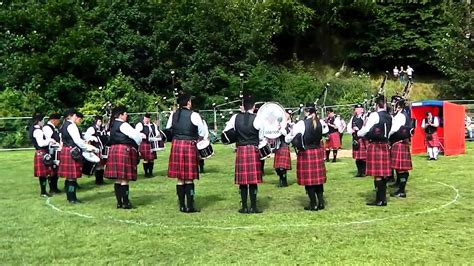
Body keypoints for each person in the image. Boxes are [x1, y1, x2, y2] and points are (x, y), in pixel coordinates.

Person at [223, 96, 264, 214]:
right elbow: (261, 137)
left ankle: (244, 207)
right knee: (253, 181)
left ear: (243, 106)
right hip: (253, 149)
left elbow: (226, 133)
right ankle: (254, 207)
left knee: (243, 181)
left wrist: (237, 135)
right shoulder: (257, 118)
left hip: (241, 149)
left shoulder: (235, 117)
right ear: (254, 107)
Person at [166, 94, 207, 213]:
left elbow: (168, 129)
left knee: (180, 178)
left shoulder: (174, 115)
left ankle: (182, 205)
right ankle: (190, 206)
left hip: (177, 145)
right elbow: (202, 132)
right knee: (189, 178)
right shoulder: (194, 115)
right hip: (189, 145)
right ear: (188, 103)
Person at [285, 104, 329, 211]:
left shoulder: (301, 124)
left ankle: (313, 204)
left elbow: (289, 139)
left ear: (306, 112)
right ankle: (321, 202)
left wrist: (290, 133)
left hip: (306, 153)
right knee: (318, 181)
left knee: (309, 181)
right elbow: (326, 131)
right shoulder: (321, 122)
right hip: (317, 151)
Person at [357, 96, 392, 206]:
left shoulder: (374, 115)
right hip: (385, 144)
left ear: (377, 105)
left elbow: (366, 129)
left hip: (375, 145)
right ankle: (382, 198)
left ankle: (380, 200)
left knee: (377, 174)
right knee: (383, 174)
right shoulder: (390, 116)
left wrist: (358, 133)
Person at [105, 106, 142, 209]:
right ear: (120, 115)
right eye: (125, 114)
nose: (126, 116)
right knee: (124, 179)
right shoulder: (124, 125)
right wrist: (138, 144)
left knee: (118, 179)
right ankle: (126, 202)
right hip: (124, 150)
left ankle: (119, 202)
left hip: (114, 149)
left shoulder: (111, 125)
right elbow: (136, 136)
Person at [58, 110, 92, 204]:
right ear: (71, 116)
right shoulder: (71, 125)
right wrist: (87, 147)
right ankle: (72, 198)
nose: (76, 117)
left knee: (69, 177)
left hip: (66, 149)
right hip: (72, 150)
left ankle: (71, 197)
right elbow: (77, 140)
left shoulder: (64, 125)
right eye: (75, 115)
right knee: (72, 177)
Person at [388, 99, 413, 198]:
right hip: (398, 143)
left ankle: (402, 191)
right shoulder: (399, 115)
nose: (393, 106)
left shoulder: (401, 115)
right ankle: (399, 184)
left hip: (399, 143)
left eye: (395, 104)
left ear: (399, 106)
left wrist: (387, 135)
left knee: (402, 168)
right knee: (399, 167)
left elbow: (394, 129)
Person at [29, 113, 57, 197]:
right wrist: (50, 140)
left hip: (40, 153)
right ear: (39, 121)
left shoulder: (35, 129)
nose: (43, 122)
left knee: (44, 174)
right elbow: (41, 143)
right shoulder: (37, 131)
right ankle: (43, 192)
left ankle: (44, 191)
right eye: (42, 120)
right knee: (43, 175)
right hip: (41, 152)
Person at [84, 115, 108, 184]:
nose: (100, 123)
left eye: (101, 121)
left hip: (102, 147)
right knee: (98, 164)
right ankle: (98, 181)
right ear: (96, 121)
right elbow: (86, 137)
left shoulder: (102, 128)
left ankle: (101, 180)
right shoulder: (92, 129)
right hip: (96, 148)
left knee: (102, 164)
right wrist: (91, 138)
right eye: (99, 121)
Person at [42, 113, 62, 193]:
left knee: (56, 169)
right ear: (53, 120)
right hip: (51, 151)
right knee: (52, 169)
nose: (58, 122)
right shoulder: (47, 127)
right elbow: (51, 139)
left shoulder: (54, 127)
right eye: (58, 120)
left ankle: (55, 187)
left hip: (56, 150)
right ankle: (52, 188)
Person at [347, 104, 368, 177]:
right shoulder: (353, 118)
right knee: (357, 158)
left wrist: (359, 131)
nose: (357, 110)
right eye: (356, 109)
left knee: (363, 158)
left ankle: (364, 172)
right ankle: (359, 172)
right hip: (355, 139)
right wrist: (351, 131)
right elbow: (349, 127)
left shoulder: (364, 117)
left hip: (362, 139)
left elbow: (366, 127)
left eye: (359, 109)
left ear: (362, 110)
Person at [135, 113, 159, 177]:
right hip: (144, 143)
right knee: (146, 159)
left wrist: (156, 136)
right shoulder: (140, 124)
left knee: (151, 159)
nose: (147, 120)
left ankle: (151, 172)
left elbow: (157, 132)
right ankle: (146, 173)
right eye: (145, 118)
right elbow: (136, 133)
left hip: (151, 143)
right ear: (144, 118)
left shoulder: (153, 125)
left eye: (148, 119)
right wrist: (142, 135)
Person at [273, 112, 292, 187]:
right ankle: (281, 178)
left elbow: (288, 135)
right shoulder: (279, 124)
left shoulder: (290, 125)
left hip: (284, 146)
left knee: (282, 167)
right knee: (277, 168)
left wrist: (281, 129)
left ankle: (284, 181)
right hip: (278, 146)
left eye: (286, 116)